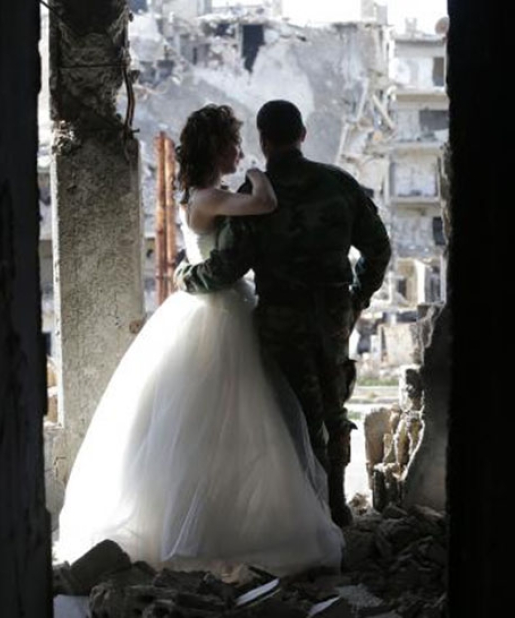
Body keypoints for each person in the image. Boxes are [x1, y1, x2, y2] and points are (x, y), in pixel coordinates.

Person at [56, 104, 343, 580]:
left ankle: (227, 523)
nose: (239, 150)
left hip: (223, 309)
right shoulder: (208, 197)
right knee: (214, 427)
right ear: (216, 148)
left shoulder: (206, 194)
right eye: (233, 142)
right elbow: (265, 204)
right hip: (216, 315)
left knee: (231, 428)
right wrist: (257, 173)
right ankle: (207, 531)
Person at [177, 100, 392, 527]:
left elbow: (227, 267)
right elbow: (378, 249)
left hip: (280, 317)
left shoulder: (254, 196)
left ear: (263, 139)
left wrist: (186, 278)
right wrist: (357, 297)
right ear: (303, 135)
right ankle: (336, 507)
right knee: (334, 407)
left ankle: (304, 511)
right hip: (332, 314)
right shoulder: (339, 184)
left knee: (291, 411)